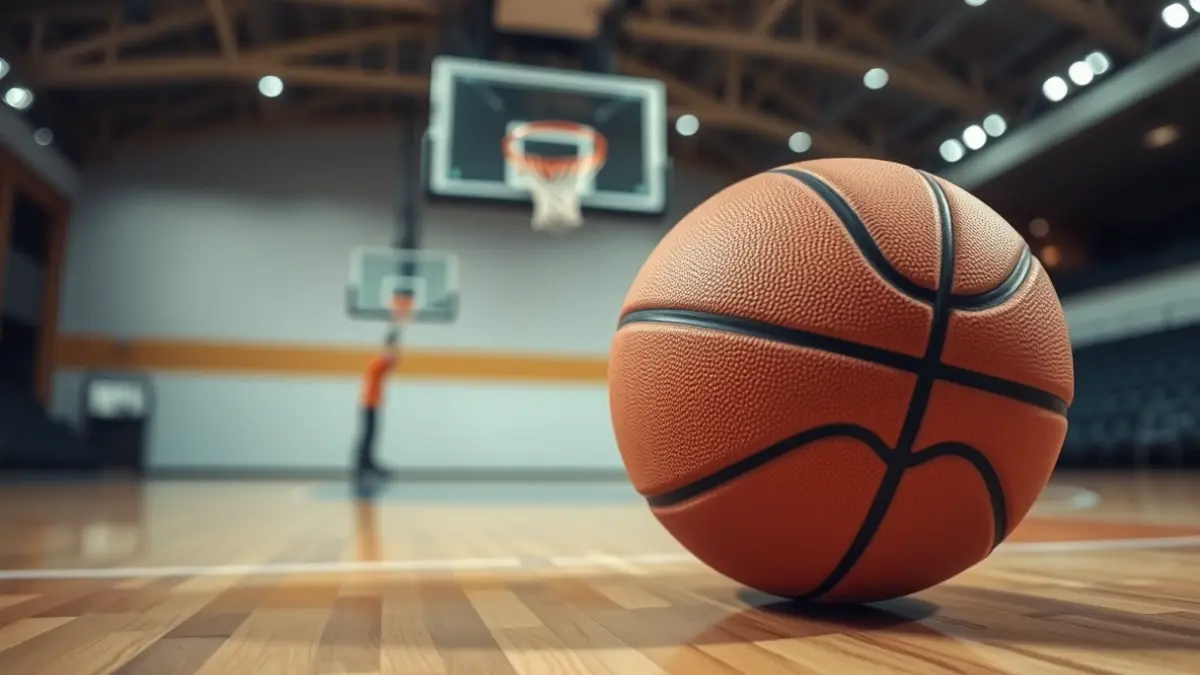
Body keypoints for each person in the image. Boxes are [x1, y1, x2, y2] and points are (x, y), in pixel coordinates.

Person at [353, 329, 399, 479]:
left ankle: (367, 463)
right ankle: (363, 465)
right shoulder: (378, 362)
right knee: (368, 435)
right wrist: (392, 343)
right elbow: (391, 359)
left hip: (371, 403)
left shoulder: (378, 362)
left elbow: (392, 362)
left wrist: (392, 344)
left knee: (370, 434)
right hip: (369, 403)